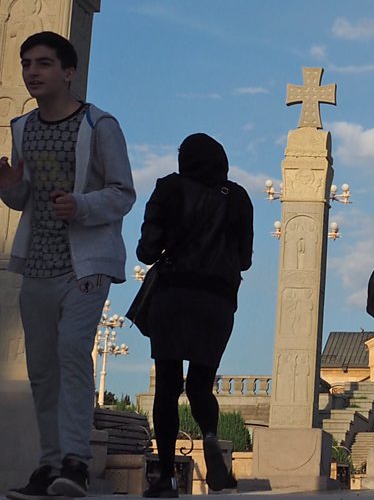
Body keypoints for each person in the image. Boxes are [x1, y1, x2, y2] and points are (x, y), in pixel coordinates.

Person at [2, 31, 135, 500]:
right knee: (42, 367)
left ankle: (75, 463)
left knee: (73, 354)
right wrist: (8, 185)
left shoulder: (99, 126)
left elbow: (123, 193)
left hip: (86, 264)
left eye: (42, 64)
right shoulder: (22, 128)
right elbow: (25, 198)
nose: (32, 72)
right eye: (26, 64)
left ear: (68, 72)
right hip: (36, 262)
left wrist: (81, 206)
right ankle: (49, 465)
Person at [136, 134, 253, 497]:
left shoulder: (169, 189)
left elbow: (146, 250)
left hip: (173, 295)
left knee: (168, 387)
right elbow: (245, 259)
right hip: (216, 302)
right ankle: (211, 438)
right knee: (201, 384)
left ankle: (166, 476)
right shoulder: (238, 197)